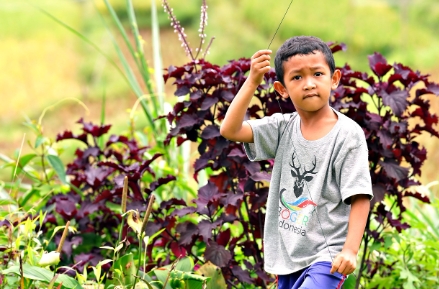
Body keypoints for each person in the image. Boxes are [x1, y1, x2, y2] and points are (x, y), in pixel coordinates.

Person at [220, 36, 373, 289]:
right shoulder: (282, 127)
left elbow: (360, 195)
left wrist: (350, 250)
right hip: (288, 256)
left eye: (317, 73)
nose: (309, 84)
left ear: (334, 79)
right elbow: (230, 130)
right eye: (297, 77)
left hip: (328, 256)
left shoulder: (348, 134)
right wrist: (252, 82)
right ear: (282, 89)